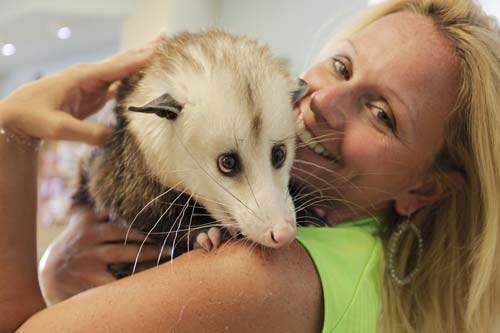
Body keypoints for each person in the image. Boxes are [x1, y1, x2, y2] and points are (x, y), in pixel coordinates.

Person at [1, 0, 499, 331]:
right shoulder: (378, 261)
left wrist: (13, 132)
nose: (323, 100)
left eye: (383, 114)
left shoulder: (267, 275)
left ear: (426, 189)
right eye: (342, 66)